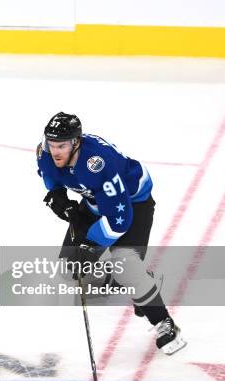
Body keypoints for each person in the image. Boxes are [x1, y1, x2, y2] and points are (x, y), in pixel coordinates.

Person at [36, 112, 186, 355]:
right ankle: (142, 282)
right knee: (69, 270)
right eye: (52, 144)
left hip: (133, 204)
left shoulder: (97, 163)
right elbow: (51, 178)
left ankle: (163, 322)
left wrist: (89, 244)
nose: (55, 151)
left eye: (62, 145)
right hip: (96, 201)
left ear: (76, 143)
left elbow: (120, 220)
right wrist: (58, 196)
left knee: (125, 265)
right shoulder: (45, 153)